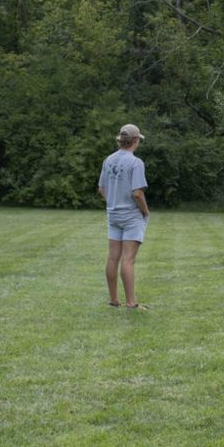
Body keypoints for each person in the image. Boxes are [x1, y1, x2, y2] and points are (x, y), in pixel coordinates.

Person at [98, 123, 150, 309]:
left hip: (113, 214)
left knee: (113, 258)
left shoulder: (108, 160)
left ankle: (114, 299)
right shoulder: (136, 163)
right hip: (130, 215)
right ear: (135, 140)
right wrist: (145, 211)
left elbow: (101, 189)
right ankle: (131, 302)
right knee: (128, 259)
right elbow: (137, 193)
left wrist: (112, 201)